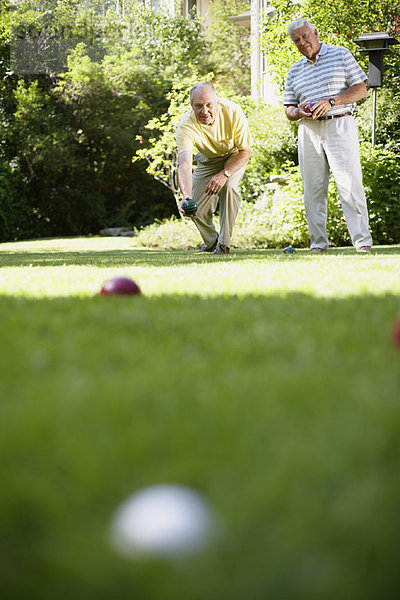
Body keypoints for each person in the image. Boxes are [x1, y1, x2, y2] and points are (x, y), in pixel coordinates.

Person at [284, 19, 373, 254]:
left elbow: (361, 89)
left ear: (315, 32)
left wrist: (332, 101)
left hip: (339, 123)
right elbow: (289, 109)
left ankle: (362, 243)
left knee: (350, 184)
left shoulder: (340, 54)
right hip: (308, 130)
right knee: (313, 189)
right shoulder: (294, 70)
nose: (302, 43)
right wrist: (297, 112)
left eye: (305, 36)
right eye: (297, 40)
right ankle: (318, 245)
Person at [176, 83, 252, 254]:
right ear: (192, 106)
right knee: (195, 207)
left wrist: (224, 174)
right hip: (208, 160)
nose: (204, 111)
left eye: (209, 104)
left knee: (229, 188)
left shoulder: (233, 111)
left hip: (234, 155)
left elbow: (245, 151)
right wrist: (186, 196)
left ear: (217, 103)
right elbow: (185, 164)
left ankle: (224, 245)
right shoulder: (186, 126)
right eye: (198, 106)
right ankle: (211, 242)